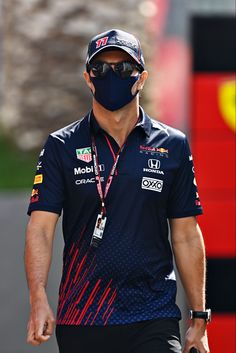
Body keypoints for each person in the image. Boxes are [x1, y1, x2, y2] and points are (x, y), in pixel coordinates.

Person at [24, 29, 211, 353]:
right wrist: (37, 297)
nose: (112, 76)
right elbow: (40, 227)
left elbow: (186, 234)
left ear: (141, 78)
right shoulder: (62, 146)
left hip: (154, 315)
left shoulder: (172, 145)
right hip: (82, 317)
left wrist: (199, 319)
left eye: (123, 69)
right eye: (101, 69)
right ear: (88, 78)